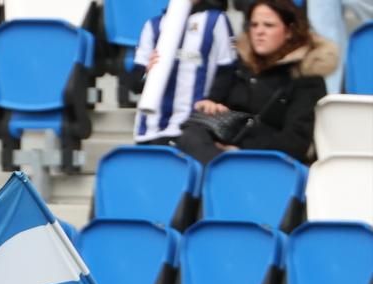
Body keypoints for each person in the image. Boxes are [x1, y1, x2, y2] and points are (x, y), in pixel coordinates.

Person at [176, 1, 337, 164]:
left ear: (289, 31)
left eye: (268, 25)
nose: (259, 32)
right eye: (254, 25)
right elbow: (213, 108)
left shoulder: (307, 77)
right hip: (218, 151)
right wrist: (213, 109)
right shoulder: (237, 67)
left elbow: (295, 143)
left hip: (271, 164)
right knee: (189, 136)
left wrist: (240, 150)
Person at [126, 0, 235, 145]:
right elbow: (134, 83)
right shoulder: (153, 25)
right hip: (151, 131)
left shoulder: (216, 20)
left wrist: (213, 100)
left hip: (195, 129)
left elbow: (227, 70)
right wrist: (147, 71)